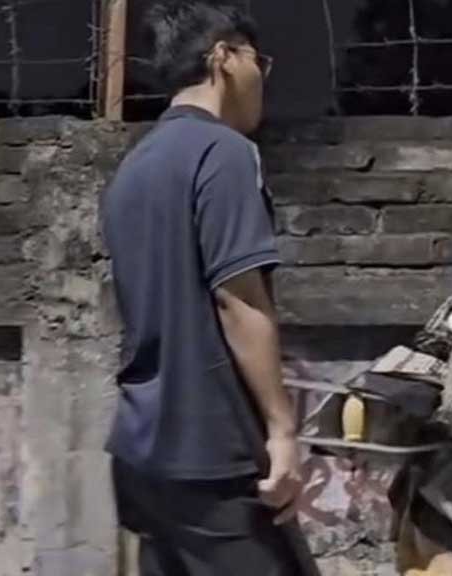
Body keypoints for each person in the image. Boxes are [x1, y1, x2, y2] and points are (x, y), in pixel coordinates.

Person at [101, 2, 309, 574]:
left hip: (140, 452)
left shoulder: (133, 168)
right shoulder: (225, 153)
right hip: (213, 451)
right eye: (258, 60)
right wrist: (282, 430)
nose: (262, 77)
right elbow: (238, 299)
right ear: (223, 57)